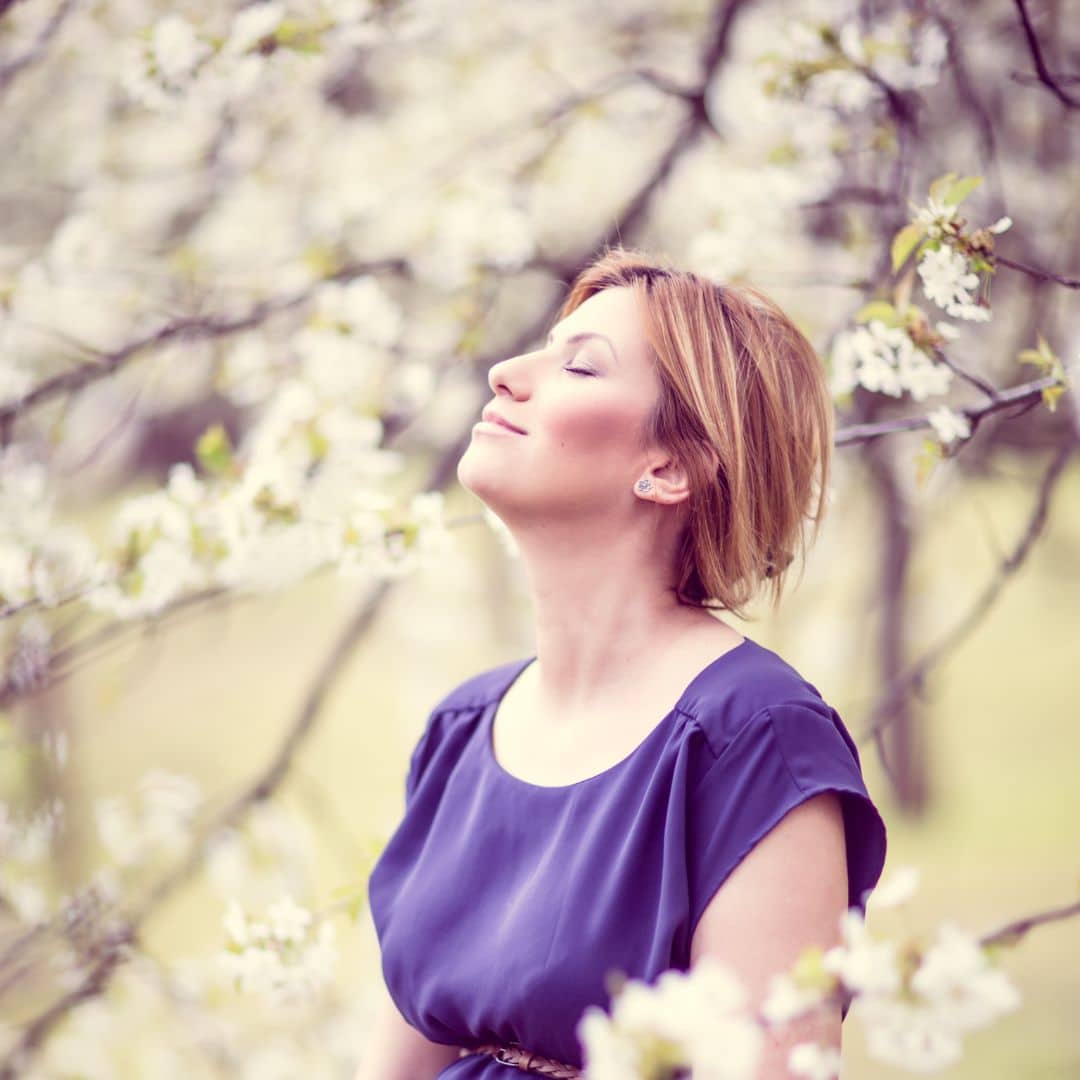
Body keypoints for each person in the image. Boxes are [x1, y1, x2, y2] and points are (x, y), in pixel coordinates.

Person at [356, 247, 887, 1079]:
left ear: (670, 465)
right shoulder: (459, 733)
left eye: (580, 366)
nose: (504, 373)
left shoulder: (756, 745)